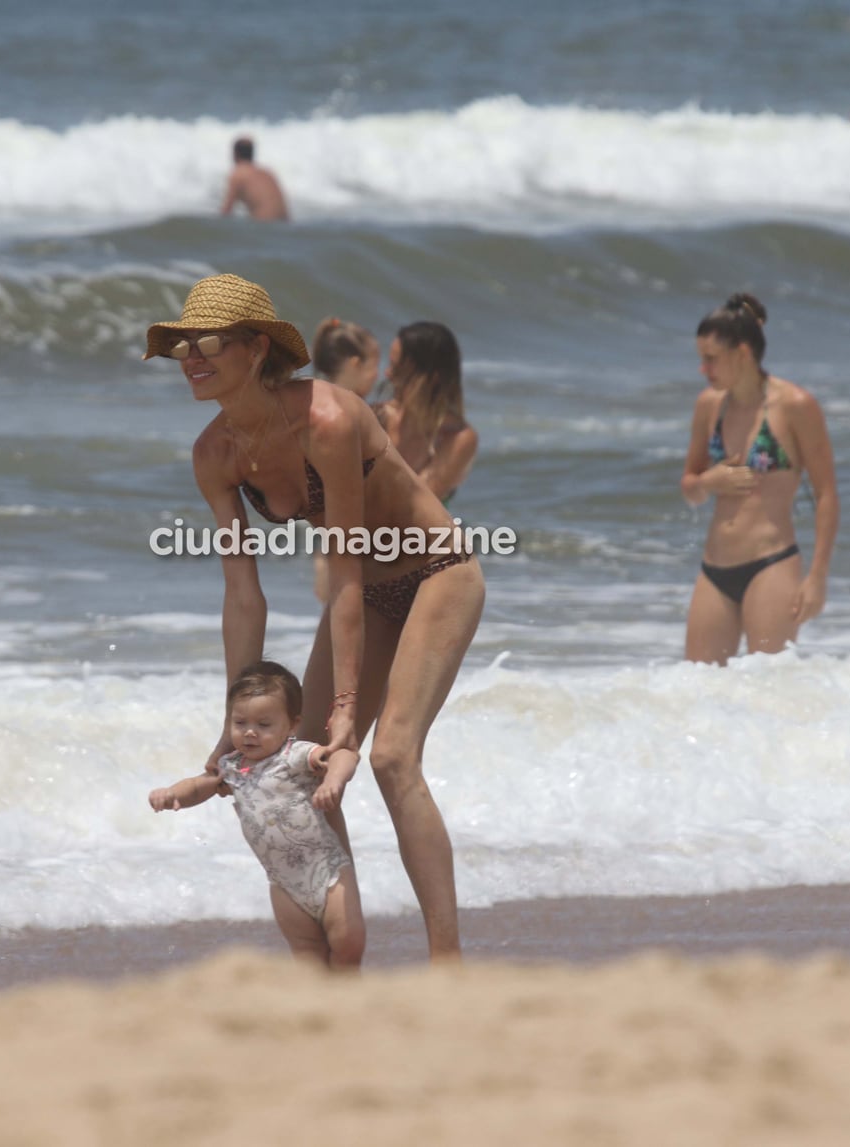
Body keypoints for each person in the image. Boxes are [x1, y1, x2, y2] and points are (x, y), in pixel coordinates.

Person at [144, 273, 485, 961]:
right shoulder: (215, 454)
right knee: (293, 768)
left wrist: (347, 709)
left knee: (388, 756)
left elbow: (348, 568)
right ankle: (338, 952)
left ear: (256, 348)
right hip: (362, 594)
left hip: (436, 573)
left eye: (206, 342)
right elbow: (243, 595)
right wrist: (231, 720)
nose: (192, 359)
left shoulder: (328, 419)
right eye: (182, 347)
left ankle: (448, 961)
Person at [149, 660, 364, 968]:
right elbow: (200, 786)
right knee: (307, 958)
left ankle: (352, 1004)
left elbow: (344, 754)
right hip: (283, 883)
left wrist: (333, 779)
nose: (250, 733)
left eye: (264, 725)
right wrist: (171, 793)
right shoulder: (233, 767)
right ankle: (319, 1007)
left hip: (328, 871)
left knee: (348, 944)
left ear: (291, 725)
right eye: (240, 723)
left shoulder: (295, 755)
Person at [679, 293, 840, 665]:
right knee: (696, 689)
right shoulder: (709, 406)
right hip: (714, 569)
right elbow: (689, 487)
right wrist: (708, 483)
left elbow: (826, 494)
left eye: (711, 359)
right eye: (701, 359)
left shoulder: (795, 406)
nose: (703, 369)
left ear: (743, 353)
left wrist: (817, 576)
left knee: (768, 688)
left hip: (772, 564)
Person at [374, 322, 478, 503]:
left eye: (397, 368)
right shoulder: (377, 417)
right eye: (390, 365)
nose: (388, 374)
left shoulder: (456, 437)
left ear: (432, 378)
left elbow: (419, 501)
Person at [220, 137, 290, 222]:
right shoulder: (267, 173)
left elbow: (226, 212)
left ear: (235, 154)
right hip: (286, 225)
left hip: (264, 226)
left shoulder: (238, 174)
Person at [311, 317, 381, 399]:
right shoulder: (349, 410)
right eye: (374, 365)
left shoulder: (312, 396)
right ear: (355, 364)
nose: (377, 376)